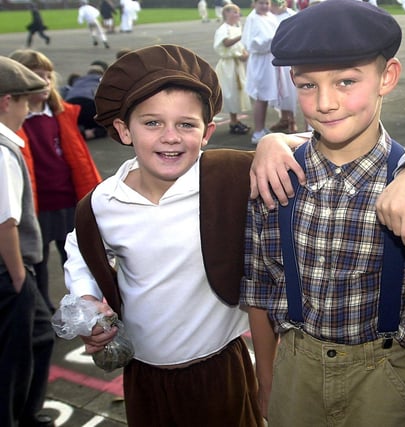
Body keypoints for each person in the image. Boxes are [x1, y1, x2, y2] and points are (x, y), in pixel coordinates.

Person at [240, 1, 405, 426]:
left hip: (386, 380)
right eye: (307, 85)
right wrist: (267, 382)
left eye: (346, 81)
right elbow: (260, 290)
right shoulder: (274, 178)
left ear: (387, 77)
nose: (325, 103)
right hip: (295, 371)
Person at [63, 44, 263, 427]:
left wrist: (272, 143)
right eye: (152, 123)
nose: (170, 136)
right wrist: (85, 295)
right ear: (124, 129)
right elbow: (79, 245)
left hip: (220, 367)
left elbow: (313, 149)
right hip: (145, 372)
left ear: (207, 133)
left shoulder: (228, 177)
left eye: (186, 124)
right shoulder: (104, 201)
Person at [10, 49, 102, 314]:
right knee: (36, 261)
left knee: (75, 257)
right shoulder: (14, 121)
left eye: (48, 75)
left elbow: (81, 160)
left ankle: (83, 303)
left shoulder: (63, 114)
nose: (45, 81)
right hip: (34, 207)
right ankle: (42, 308)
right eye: (36, 76)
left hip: (67, 201)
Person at [0, 55, 55, 427]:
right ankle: (20, 417)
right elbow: (6, 223)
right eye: (22, 100)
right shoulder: (4, 152)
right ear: (6, 101)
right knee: (21, 349)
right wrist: (21, 279)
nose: (25, 108)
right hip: (10, 272)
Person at [241, 0, 280, 144]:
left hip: (269, 59)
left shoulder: (269, 16)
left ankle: (262, 128)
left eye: (267, 3)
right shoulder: (253, 19)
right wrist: (272, 40)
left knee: (265, 95)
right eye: (261, 3)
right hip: (261, 61)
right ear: (254, 4)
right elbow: (252, 43)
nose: (264, 6)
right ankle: (257, 131)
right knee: (261, 95)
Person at [214, 2, 251, 135]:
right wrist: (241, 37)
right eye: (234, 12)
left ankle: (235, 120)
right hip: (228, 65)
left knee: (238, 92)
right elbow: (225, 43)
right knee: (231, 92)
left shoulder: (236, 27)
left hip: (237, 64)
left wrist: (244, 54)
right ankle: (233, 121)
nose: (237, 15)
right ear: (226, 14)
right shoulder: (224, 29)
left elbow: (241, 46)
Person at [268, 0, 298, 134]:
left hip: (289, 55)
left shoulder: (291, 14)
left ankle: (292, 120)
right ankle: (284, 118)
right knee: (280, 89)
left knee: (291, 90)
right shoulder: (269, 16)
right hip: (275, 57)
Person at [64, 61, 109, 140]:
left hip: (71, 104)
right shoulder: (103, 80)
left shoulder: (78, 79)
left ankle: (73, 129)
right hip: (91, 104)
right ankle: (87, 133)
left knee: (72, 122)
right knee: (106, 127)